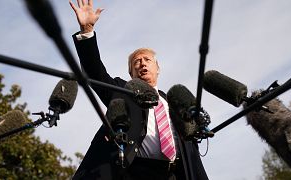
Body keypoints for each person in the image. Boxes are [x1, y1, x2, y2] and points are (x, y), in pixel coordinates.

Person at [69, 0, 209, 179]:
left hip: (173, 174)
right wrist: (87, 31)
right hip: (131, 171)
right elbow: (95, 74)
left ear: (157, 68)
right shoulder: (124, 91)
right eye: (137, 62)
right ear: (131, 72)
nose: (142, 63)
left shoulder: (175, 103)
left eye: (147, 60)